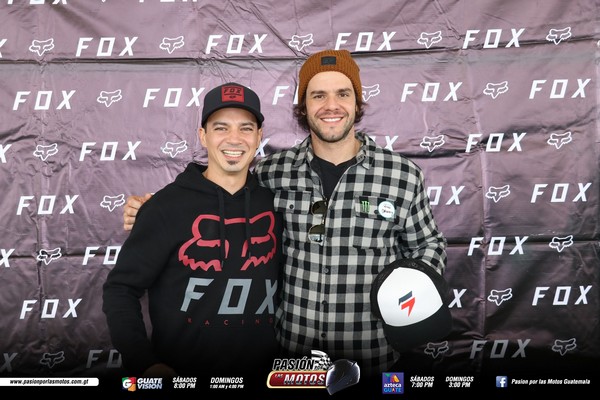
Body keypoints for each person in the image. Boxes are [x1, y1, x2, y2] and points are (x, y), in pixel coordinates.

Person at [123, 50, 447, 381]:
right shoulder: (272, 172)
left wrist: (411, 288)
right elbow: (218, 189)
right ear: (303, 106)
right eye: (318, 95)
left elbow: (429, 245)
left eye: (342, 94)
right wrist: (154, 208)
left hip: (371, 357)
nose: (331, 105)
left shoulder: (401, 175)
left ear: (357, 102)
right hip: (291, 364)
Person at [103, 83, 284, 391]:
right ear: (203, 136)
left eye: (245, 128)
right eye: (221, 128)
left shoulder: (276, 204)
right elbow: (120, 289)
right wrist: (145, 363)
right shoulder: (165, 206)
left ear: (259, 137)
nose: (234, 139)